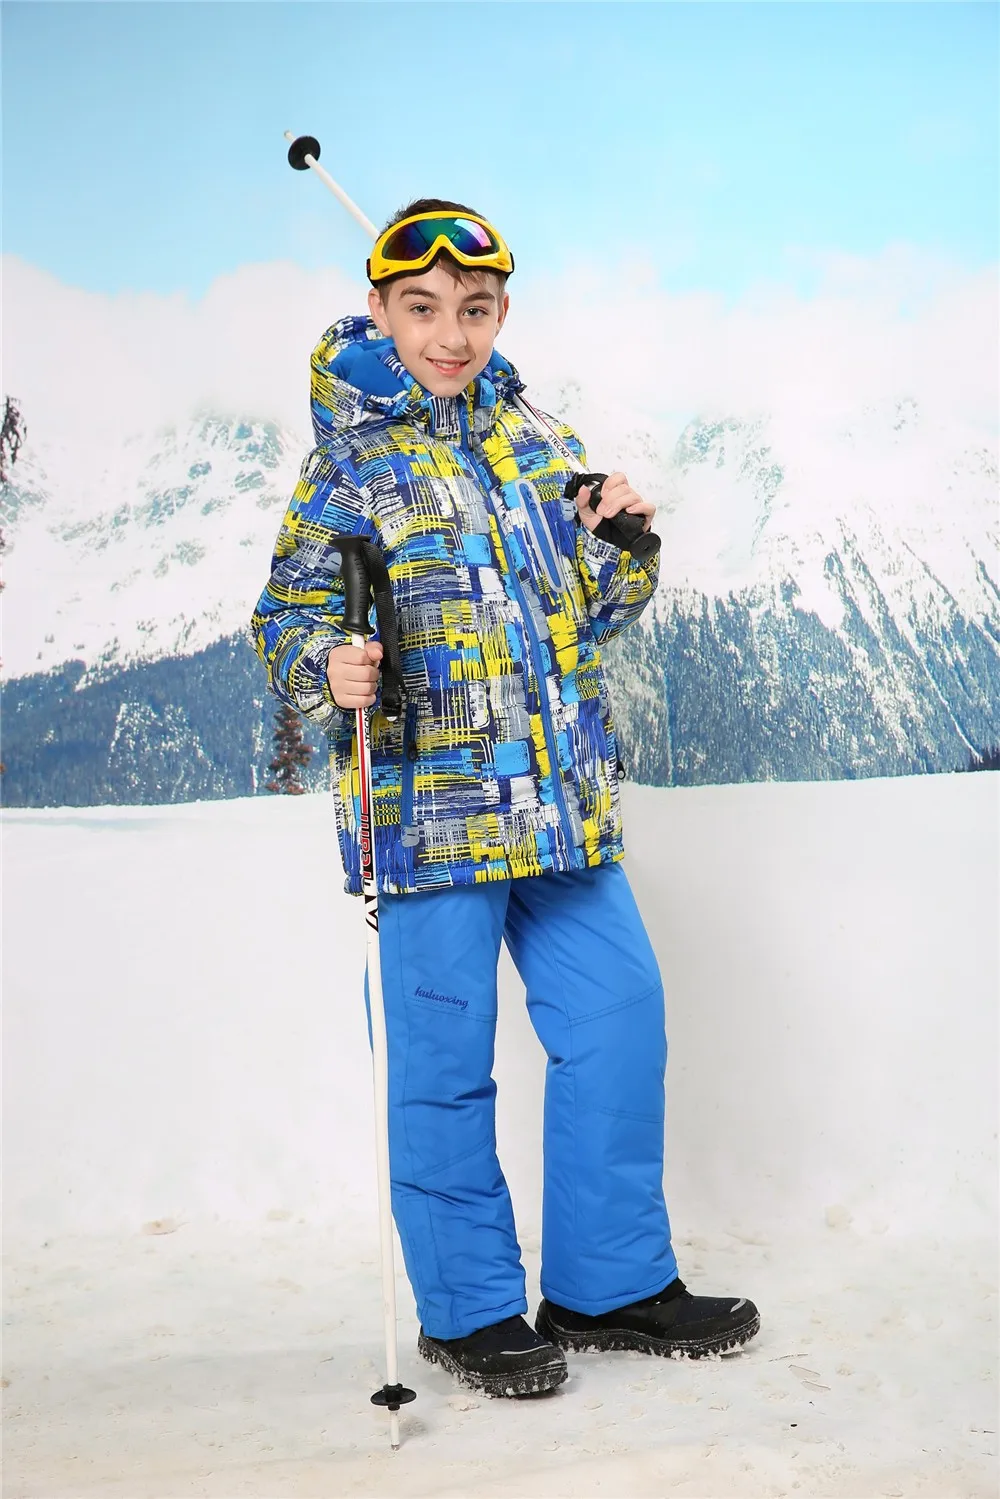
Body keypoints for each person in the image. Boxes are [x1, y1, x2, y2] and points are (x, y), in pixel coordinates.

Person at [252, 201, 759, 1398]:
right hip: (428, 813)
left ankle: (607, 1281)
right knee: (441, 1058)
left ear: (501, 312)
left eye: (473, 310)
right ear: (380, 310)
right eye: (422, 309)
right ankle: (471, 1308)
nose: (451, 334)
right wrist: (328, 664)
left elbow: (588, 608)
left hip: (560, 802)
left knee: (617, 1015)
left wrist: (621, 545)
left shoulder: (536, 439)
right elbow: (285, 615)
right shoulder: (350, 461)